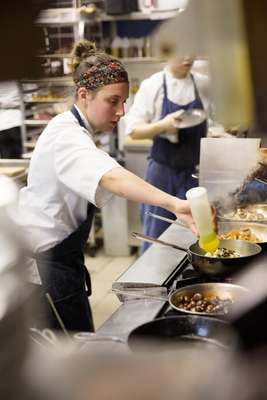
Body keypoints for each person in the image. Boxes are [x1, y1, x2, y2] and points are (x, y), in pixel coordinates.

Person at [17, 40, 197, 333]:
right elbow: (111, 176)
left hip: (62, 259)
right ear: (84, 95)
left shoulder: (77, 130)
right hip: (46, 265)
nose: (122, 111)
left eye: (124, 102)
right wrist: (174, 204)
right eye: (113, 101)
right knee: (72, 353)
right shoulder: (65, 136)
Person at [123, 56, 210, 252]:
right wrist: (164, 125)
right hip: (162, 175)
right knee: (157, 239)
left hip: (195, 175)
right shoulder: (153, 85)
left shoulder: (203, 84)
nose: (187, 57)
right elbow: (133, 130)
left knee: (197, 235)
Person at [0, 81, 23, 158]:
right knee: (22, 158)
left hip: (2, 125)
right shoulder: (18, 80)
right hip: (17, 122)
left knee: (8, 161)